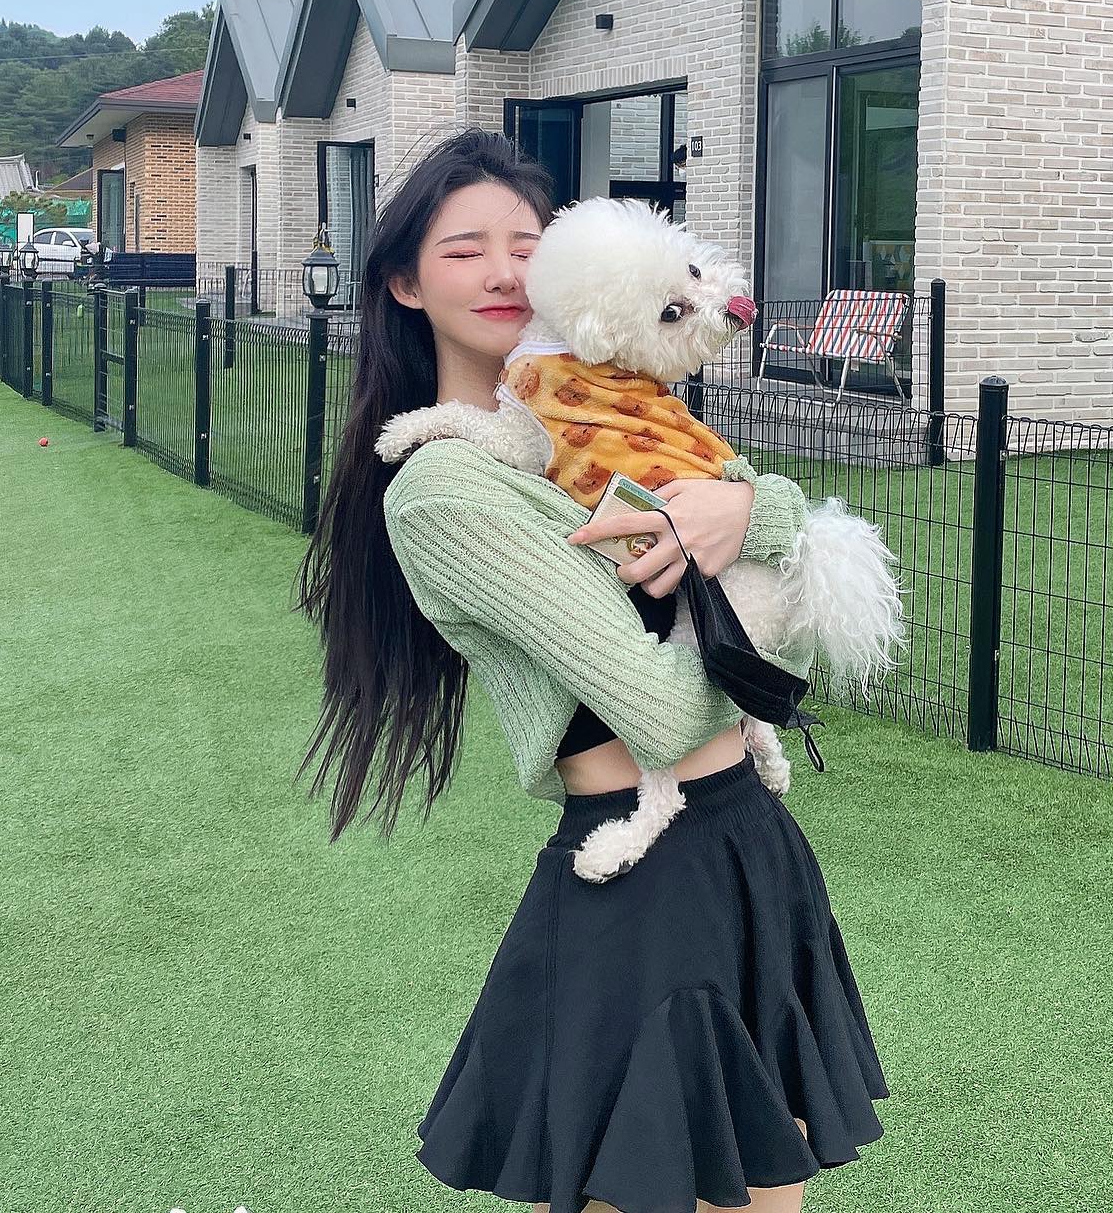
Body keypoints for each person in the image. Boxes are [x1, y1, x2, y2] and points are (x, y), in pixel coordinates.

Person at [295, 127, 889, 1213]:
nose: (504, 272)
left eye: (526, 245)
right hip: (644, 883)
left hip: (752, 845)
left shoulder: (617, 421)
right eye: (464, 249)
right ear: (404, 283)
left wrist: (752, 509)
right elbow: (664, 709)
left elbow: (792, 638)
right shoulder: (446, 491)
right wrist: (759, 524)